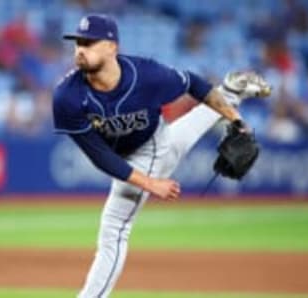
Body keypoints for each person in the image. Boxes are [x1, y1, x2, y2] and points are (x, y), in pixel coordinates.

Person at [52, 14, 270, 298]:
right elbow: (100, 156)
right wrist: (150, 183)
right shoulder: (67, 97)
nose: (80, 49)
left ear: (112, 47)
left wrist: (235, 120)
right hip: (129, 152)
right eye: (78, 42)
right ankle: (230, 90)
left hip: (149, 144)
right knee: (175, 145)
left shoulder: (147, 75)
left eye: (90, 42)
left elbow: (193, 83)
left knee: (114, 229)